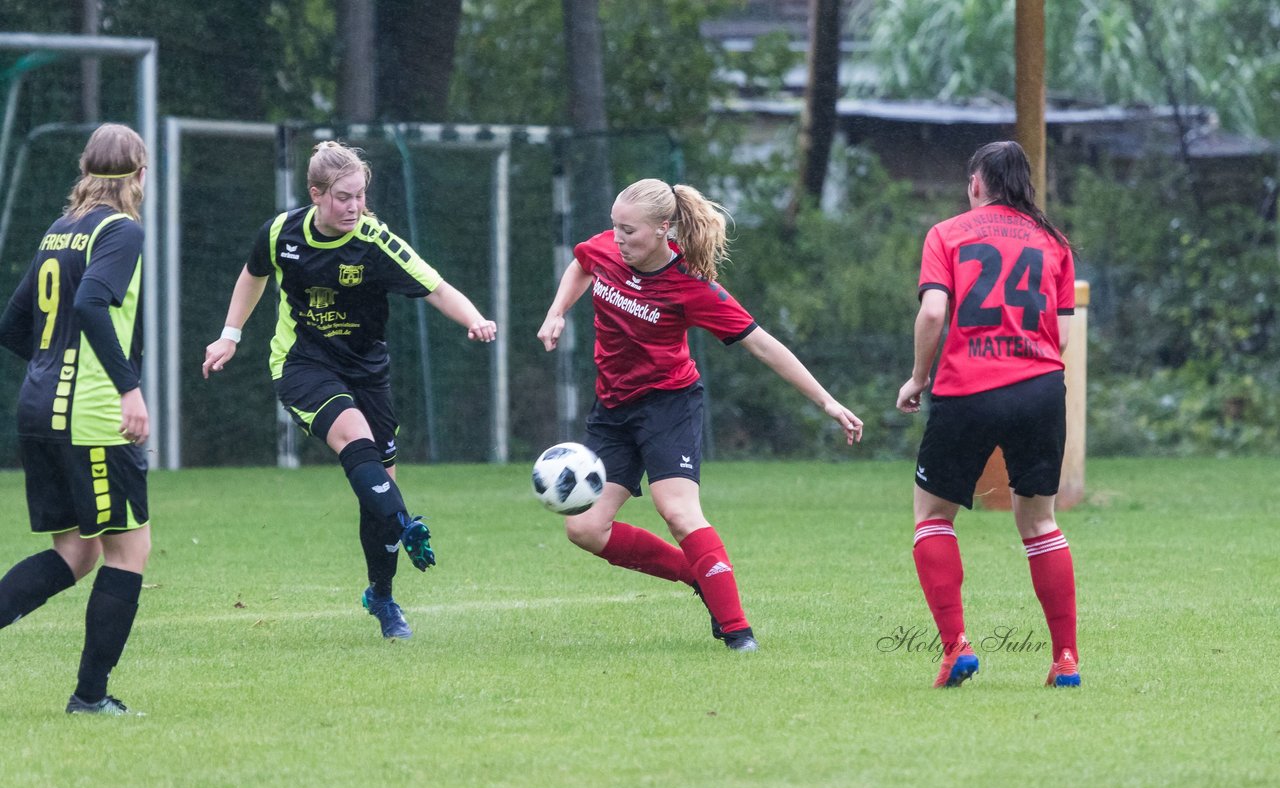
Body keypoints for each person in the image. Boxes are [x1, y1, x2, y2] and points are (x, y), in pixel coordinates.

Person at [537, 178, 863, 652]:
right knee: (584, 528)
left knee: (679, 512)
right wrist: (557, 312)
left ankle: (738, 633)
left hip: (668, 406)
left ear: (664, 229)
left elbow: (761, 344)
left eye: (629, 230)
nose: (618, 238)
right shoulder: (609, 248)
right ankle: (700, 576)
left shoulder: (693, 286)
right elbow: (581, 263)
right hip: (612, 410)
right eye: (615, 227)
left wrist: (827, 402)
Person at [201, 141, 496, 640]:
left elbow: (437, 287)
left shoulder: (375, 242)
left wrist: (475, 319)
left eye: (360, 195)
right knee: (355, 443)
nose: (354, 206)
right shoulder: (282, 232)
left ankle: (381, 593)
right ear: (316, 194)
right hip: (302, 365)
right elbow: (253, 275)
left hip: (367, 374)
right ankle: (405, 523)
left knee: (376, 490)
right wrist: (230, 335)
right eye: (343, 197)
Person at [896, 140, 1081, 688]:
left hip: (967, 390)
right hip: (1041, 389)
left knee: (933, 517)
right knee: (1041, 522)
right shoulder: (1055, 242)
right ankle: (1065, 660)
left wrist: (917, 377)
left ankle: (957, 649)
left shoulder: (947, 233)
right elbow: (1062, 335)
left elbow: (934, 311)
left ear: (976, 183)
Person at [0, 123, 152, 715]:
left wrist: (49, 364)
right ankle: (90, 697)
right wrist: (128, 389)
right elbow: (91, 301)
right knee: (127, 551)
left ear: (85, 171)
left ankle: (91, 695)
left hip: (39, 408)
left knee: (77, 553)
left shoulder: (59, 232)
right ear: (139, 174)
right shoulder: (122, 230)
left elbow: (12, 325)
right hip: (87, 414)